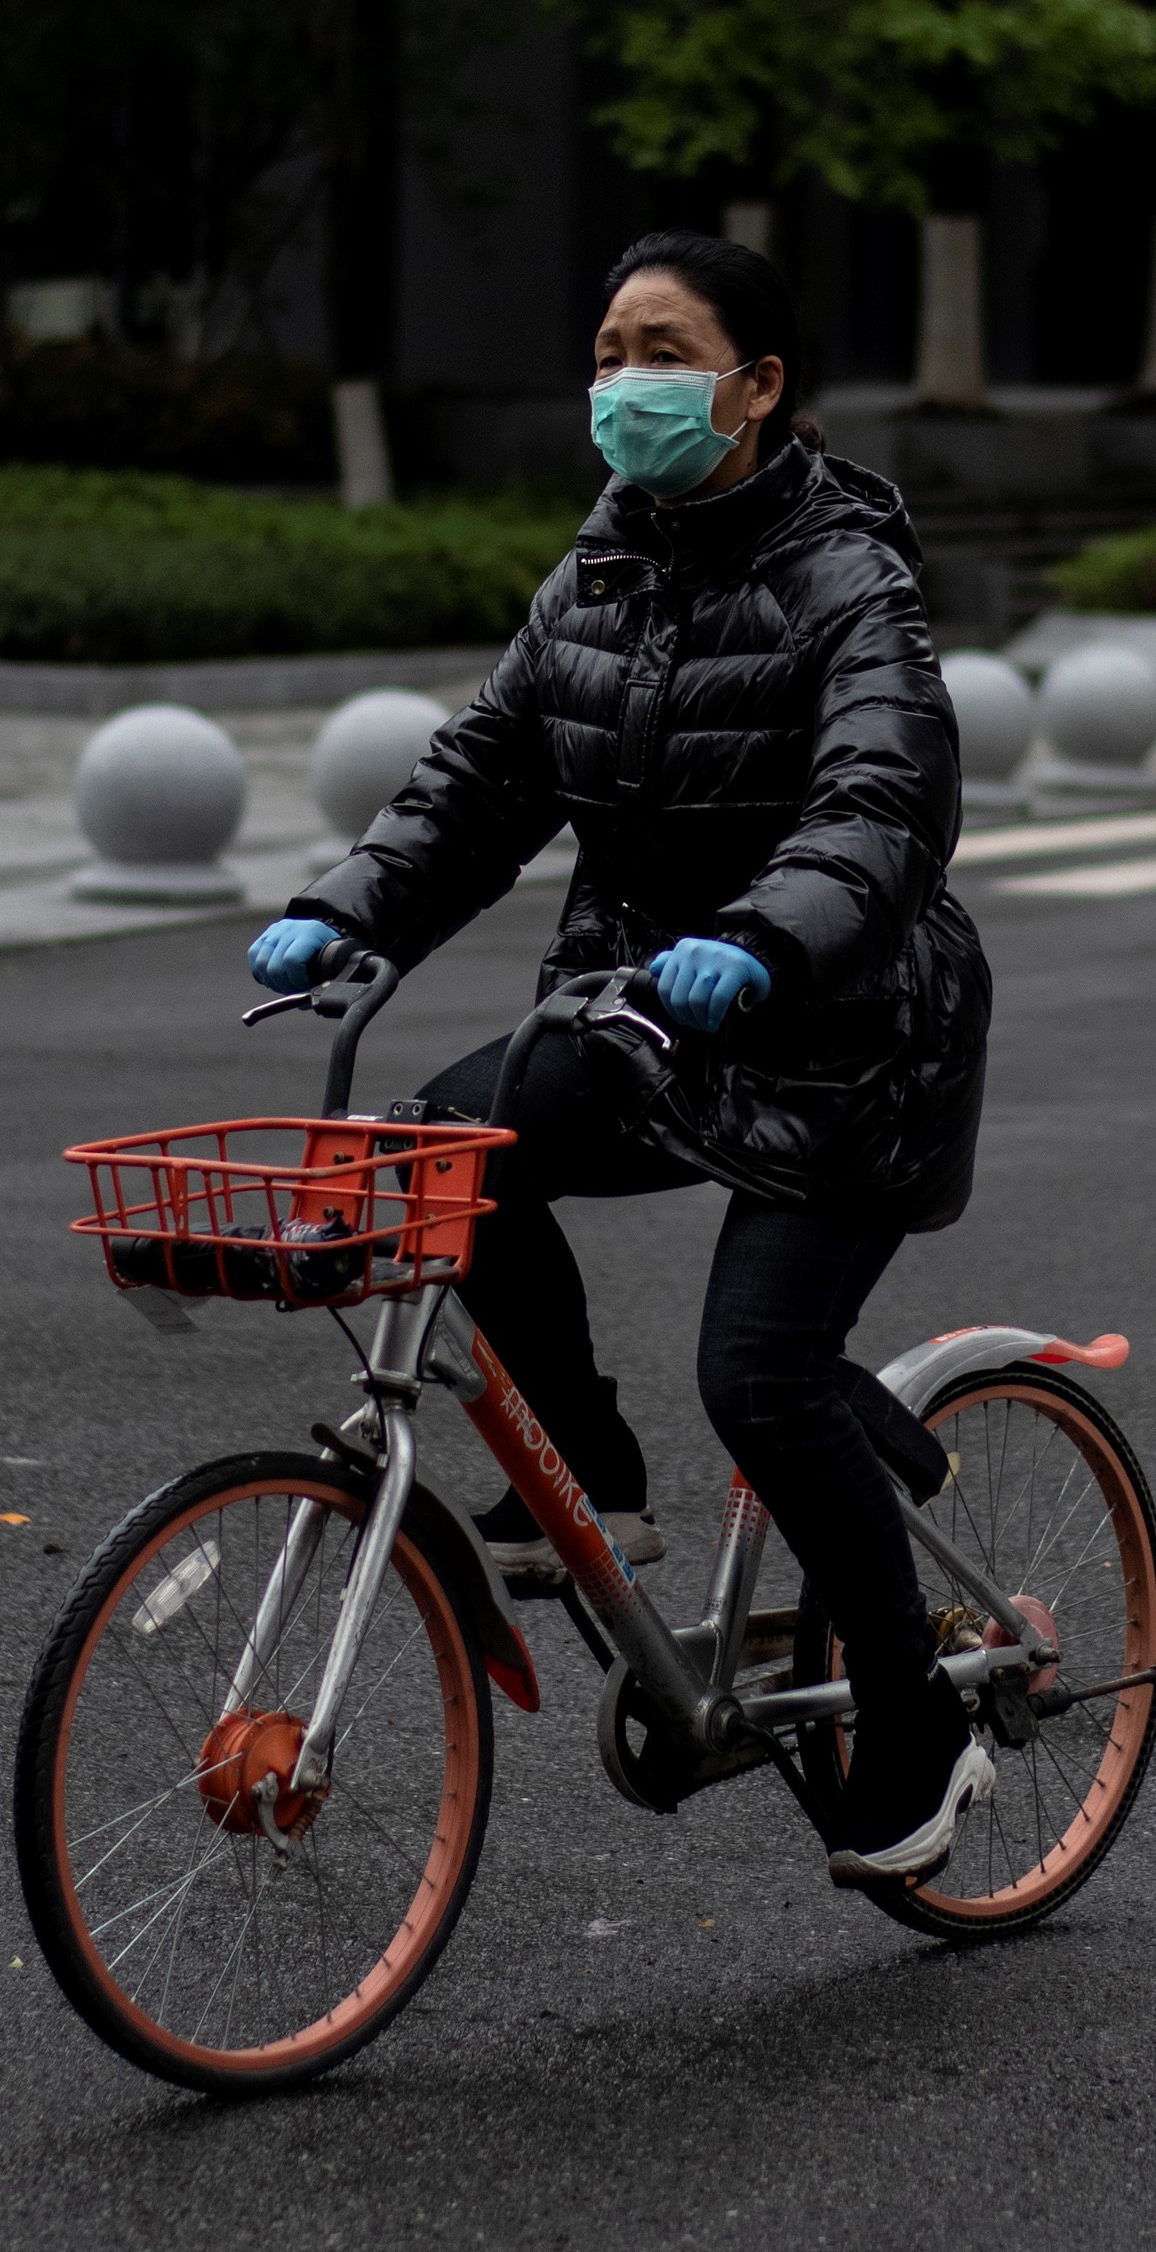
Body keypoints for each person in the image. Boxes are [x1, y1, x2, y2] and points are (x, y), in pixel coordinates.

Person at [245, 229, 994, 1886]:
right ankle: (596, 1470)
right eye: (603, 351)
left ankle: (921, 1726)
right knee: (441, 1148)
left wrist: (774, 934)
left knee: (760, 1374)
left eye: (659, 349)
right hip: (649, 1005)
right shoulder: (599, 570)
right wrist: (345, 906)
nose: (620, 383)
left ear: (758, 385)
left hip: (848, 1036)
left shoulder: (848, 578)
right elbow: (483, 778)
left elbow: (880, 808)